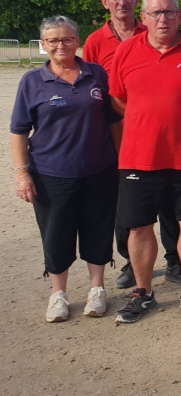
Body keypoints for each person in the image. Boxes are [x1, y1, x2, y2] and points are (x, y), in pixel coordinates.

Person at [11, 16, 120, 322]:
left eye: (67, 39)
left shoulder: (96, 74)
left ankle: (97, 289)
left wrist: (120, 160)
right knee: (56, 234)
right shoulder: (32, 81)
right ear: (43, 44)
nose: (61, 45)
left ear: (77, 40)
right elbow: (19, 130)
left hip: (98, 169)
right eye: (53, 40)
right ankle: (58, 294)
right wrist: (22, 172)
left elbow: (114, 121)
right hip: (51, 173)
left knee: (97, 230)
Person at [110, 0, 181, 324]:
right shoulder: (126, 51)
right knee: (139, 227)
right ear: (144, 18)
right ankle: (143, 291)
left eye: (169, 12)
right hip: (139, 157)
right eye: (155, 13)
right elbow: (119, 100)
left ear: (179, 16)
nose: (163, 19)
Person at [82, 0, 181, 290]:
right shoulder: (96, 41)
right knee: (129, 206)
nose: (122, 2)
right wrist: (136, 116)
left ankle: (175, 260)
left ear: (136, 2)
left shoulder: (152, 30)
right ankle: (130, 261)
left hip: (164, 137)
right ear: (105, 3)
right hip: (120, 133)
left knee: (170, 200)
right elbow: (102, 92)